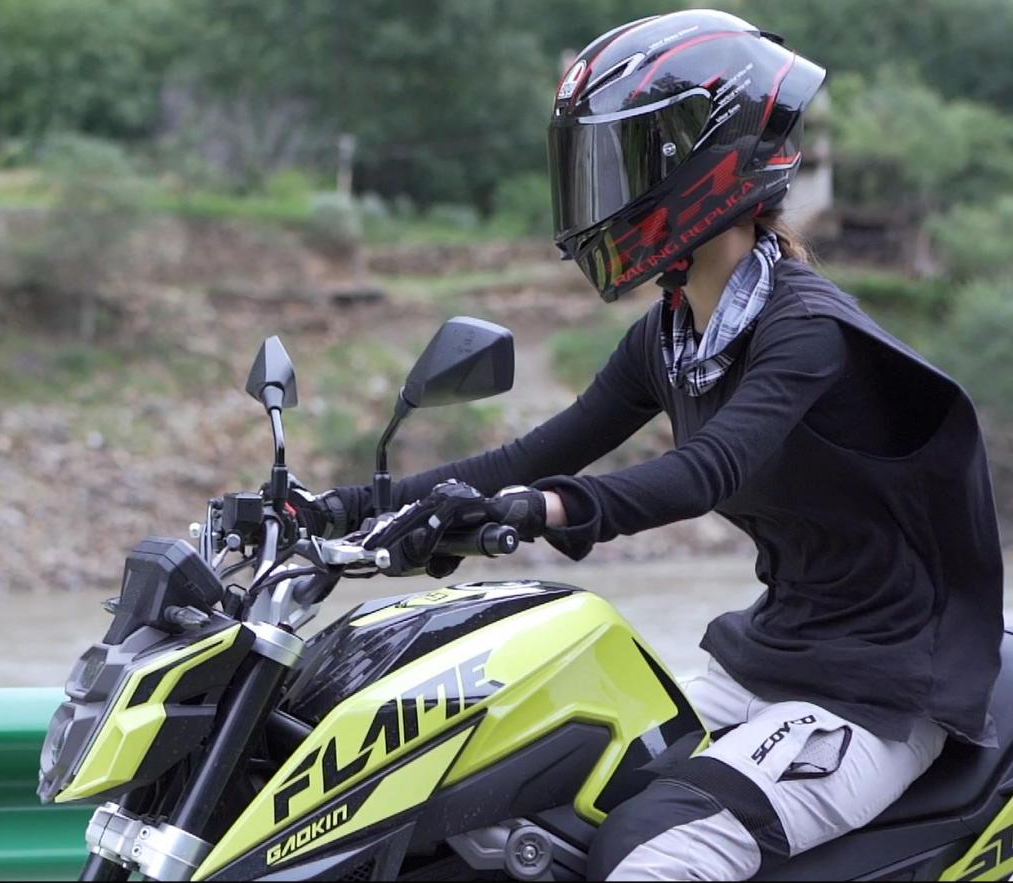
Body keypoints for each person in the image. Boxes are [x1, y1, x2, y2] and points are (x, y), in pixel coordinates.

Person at [290, 9, 1004, 880]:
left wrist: (543, 510)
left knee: (653, 852)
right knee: (518, 806)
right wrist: (334, 510)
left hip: (876, 692)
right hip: (770, 657)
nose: (598, 194)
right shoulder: (670, 337)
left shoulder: (806, 329)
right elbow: (526, 455)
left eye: (622, 164)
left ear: (706, 168)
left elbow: (707, 470)